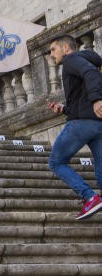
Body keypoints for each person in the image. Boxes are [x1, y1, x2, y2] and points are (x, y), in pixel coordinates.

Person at [47, 35, 102, 220]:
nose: (51, 55)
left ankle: (90, 197)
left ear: (66, 48)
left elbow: (91, 75)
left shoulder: (71, 60)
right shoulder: (84, 60)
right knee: (100, 164)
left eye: (53, 50)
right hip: (97, 123)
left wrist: (96, 100)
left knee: (56, 162)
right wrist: (64, 109)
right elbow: (82, 96)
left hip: (81, 123)